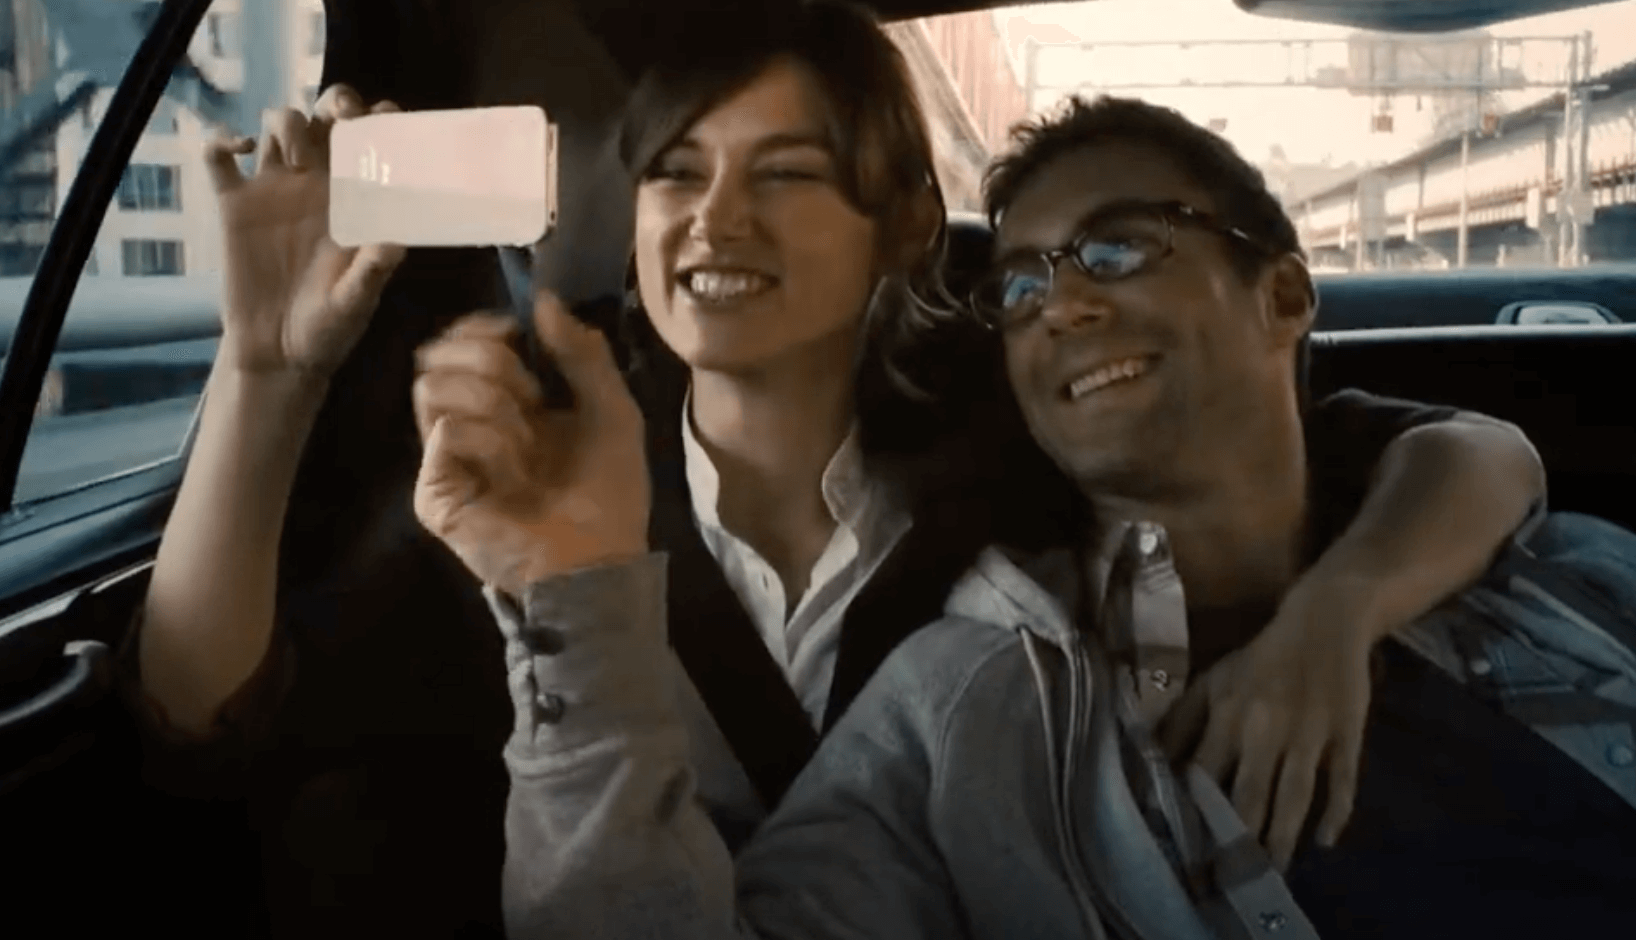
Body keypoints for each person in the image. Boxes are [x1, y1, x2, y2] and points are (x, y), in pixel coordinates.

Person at [130, 1, 1543, 933]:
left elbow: (1468, 451)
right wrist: (266, 372)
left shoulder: (1024, 412)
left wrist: (1336, 612)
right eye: (676, 172)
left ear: (906, 224)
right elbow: (207, 718)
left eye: (788, 173)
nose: (716, 218)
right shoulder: (536, 466)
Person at [461, 94, 1636, 940]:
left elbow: (1478, 450)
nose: (1059, 303)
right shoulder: (963, 710)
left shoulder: (1564, 574)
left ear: (1281, 292)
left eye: (1116, 249)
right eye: (1019, 283)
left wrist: (1333, 616)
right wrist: (574, 591)